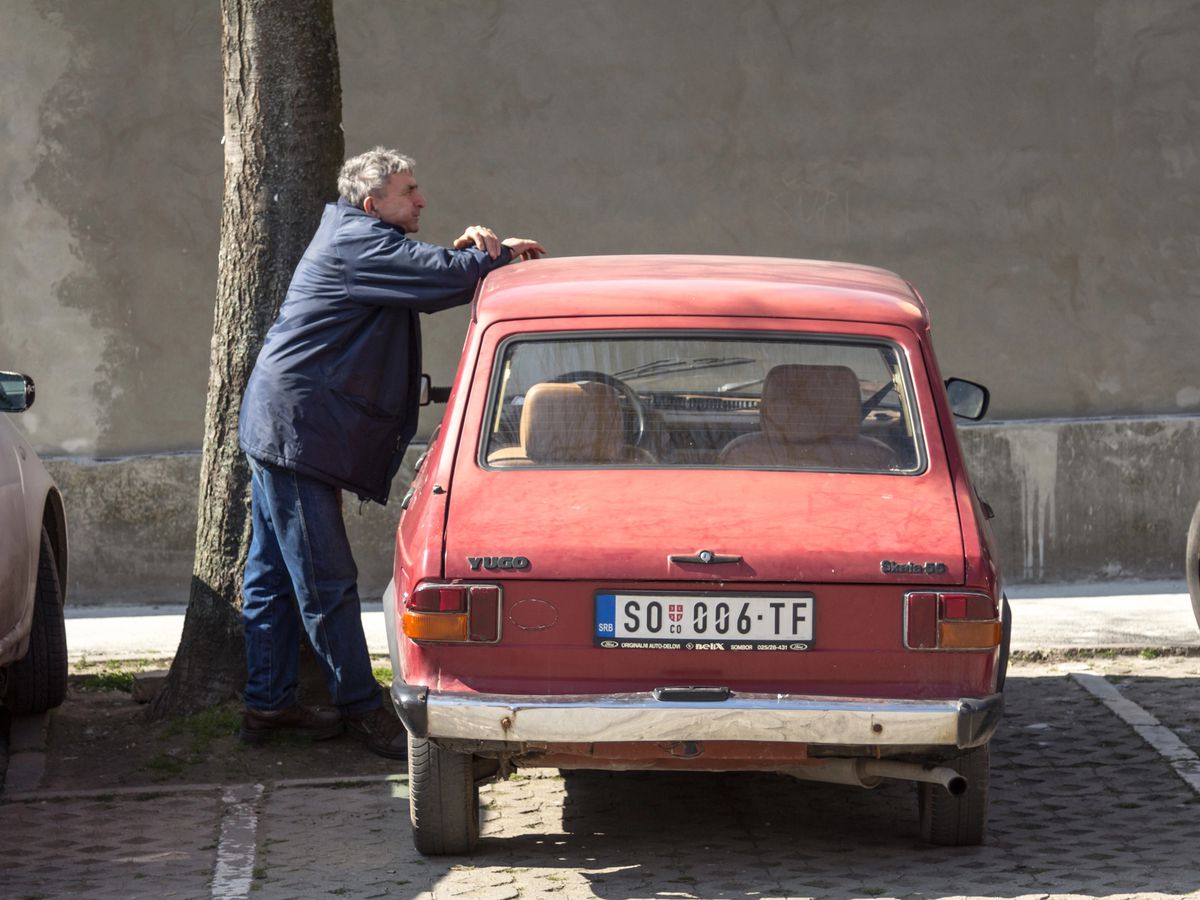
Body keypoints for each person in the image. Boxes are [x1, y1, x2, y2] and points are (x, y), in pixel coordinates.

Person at [236, 147, 544, 758]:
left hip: (287, 423)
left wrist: (466, 257)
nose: (421, 199)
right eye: (409, 191)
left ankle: (268, 704)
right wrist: (499, 256)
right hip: (297, 431)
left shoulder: (360, 239)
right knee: (325, 579)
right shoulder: (356, 242)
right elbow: (438, 276)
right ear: (373, 203)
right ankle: (359, 709)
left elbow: (423, 273)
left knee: (272, 575)